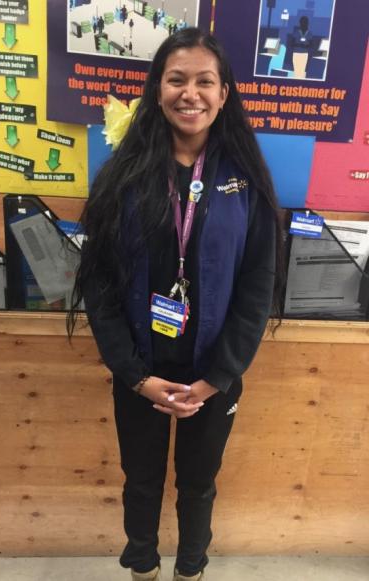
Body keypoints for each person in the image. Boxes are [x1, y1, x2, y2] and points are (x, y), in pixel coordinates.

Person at [69, 27, 284, 581]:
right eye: (176, 80)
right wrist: (135, 375)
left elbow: (257, 286)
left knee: (199, 484)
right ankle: (142, 567)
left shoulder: (246, 180)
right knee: (140, 481)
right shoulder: (122, 177)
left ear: (224, 93)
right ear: (156, 89)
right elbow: (100, 287)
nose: (191, 93)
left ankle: (192, 569)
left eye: (204, 81)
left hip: (212, 375)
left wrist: (218, 377)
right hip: (142, 372)